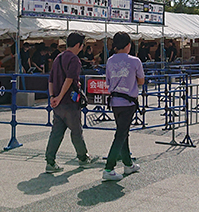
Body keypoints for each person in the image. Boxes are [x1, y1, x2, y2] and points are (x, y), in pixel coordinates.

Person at [44, 32, 98, 173]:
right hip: (69, 102)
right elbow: (69, 80)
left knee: (56, 133)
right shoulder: (74, 59)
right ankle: (83, 158)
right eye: (82, 45)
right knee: (76, 131)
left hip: (58, 104)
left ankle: (50, 161)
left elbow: (51, 80)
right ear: (78, 45)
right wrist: (60, 96)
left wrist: (53, 97)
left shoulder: (58, 58)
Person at [102, 32, 145, 181]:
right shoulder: (135, 61)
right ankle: (109, 167)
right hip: (128, 102)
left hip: (115, 102)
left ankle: (128, 164)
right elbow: (141, 81)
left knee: (123, 132)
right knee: (121, 134)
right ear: (128, 45)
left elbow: (108, 81)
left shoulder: (110, 61)